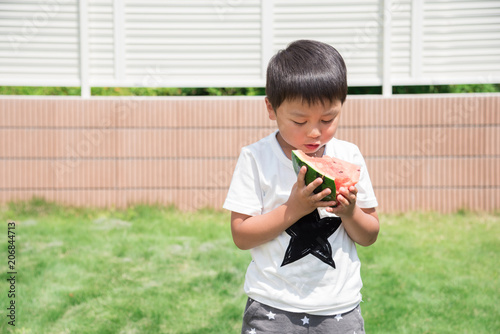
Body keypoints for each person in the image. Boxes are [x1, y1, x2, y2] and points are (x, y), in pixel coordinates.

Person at [223, 39, 379, 334]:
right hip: (272, 307)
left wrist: (350, 212)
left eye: (328, 118)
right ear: (271, 108)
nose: (315, 132)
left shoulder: (349, 155)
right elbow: (241, 236)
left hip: (339, 309)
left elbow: (369, 234)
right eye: (299, 120)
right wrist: (293, 209)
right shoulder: (256, 158)